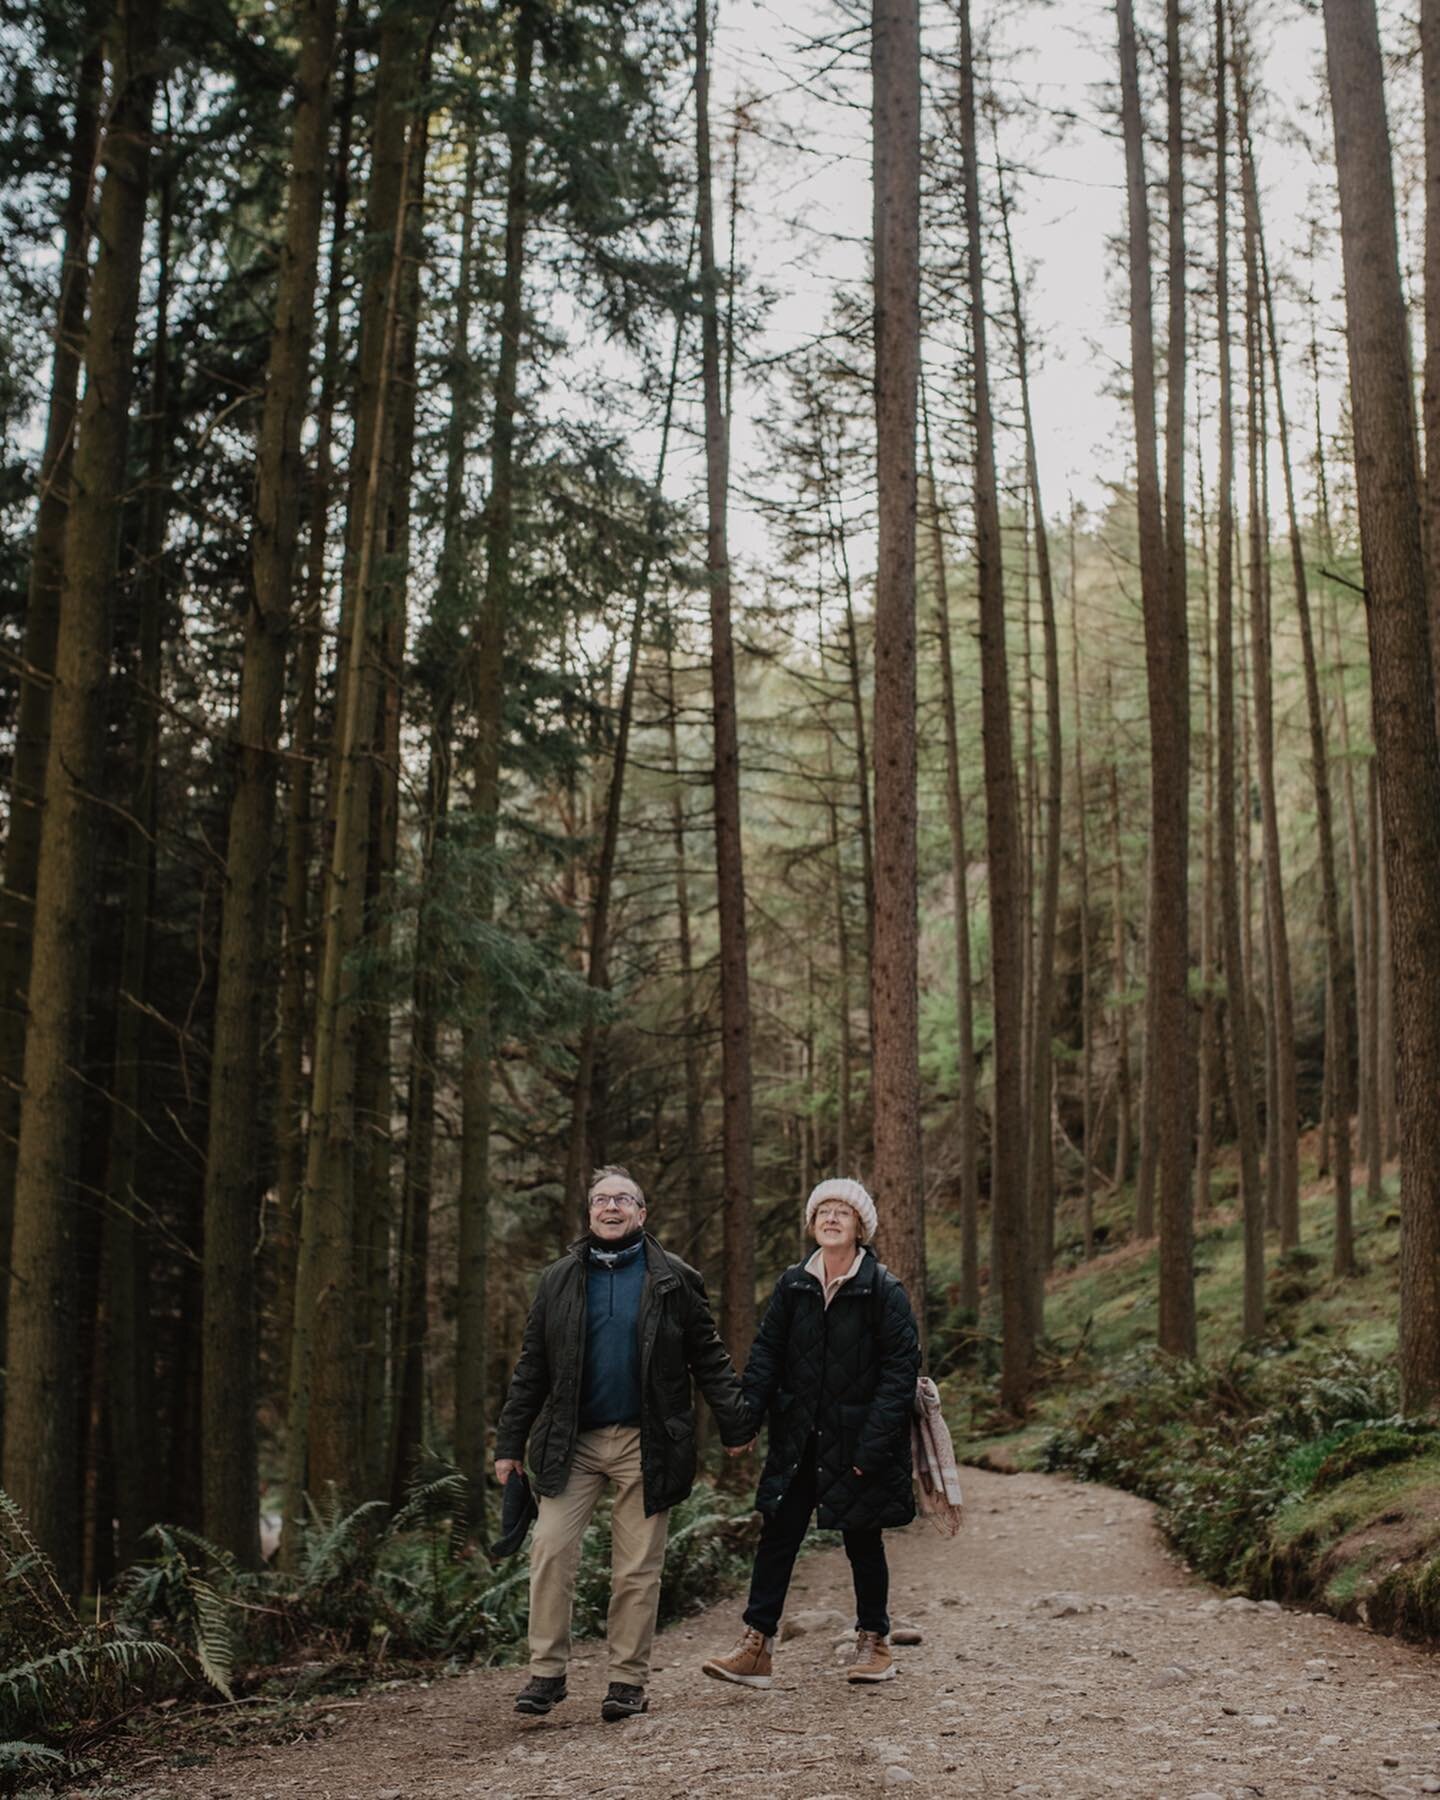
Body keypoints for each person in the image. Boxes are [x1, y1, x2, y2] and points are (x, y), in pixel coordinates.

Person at [494, 1164, 753, 1722]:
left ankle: (626, 1682)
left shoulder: (675, 1278)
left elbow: (707, 1356)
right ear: (589, 1213)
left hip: (648, 1441)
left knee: (637, 1567)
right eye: (600, 1200)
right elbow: (532, 1367)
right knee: (550, 1548)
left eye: (622, 1200)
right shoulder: (559, 1278)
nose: (610, 1208)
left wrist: (735, 1426)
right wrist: (508, 1444)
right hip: (573, 1442)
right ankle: (546, 1673)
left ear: (642, 1212)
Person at [701, 1177, 920, 1689]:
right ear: (812, 1223)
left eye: (843, 1211)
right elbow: (765, 1358)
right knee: (778, 1534)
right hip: (798, 1436)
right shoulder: (793, 1284)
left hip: (859, 1438)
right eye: (823, 1210)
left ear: (860, 1226)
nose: (831, 1218)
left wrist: (873, 1445)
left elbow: (899, 1373)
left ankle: (875, 1642)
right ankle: (756, 1646)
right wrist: (745, 1422)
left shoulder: (883, 1289)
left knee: (862, 1538)